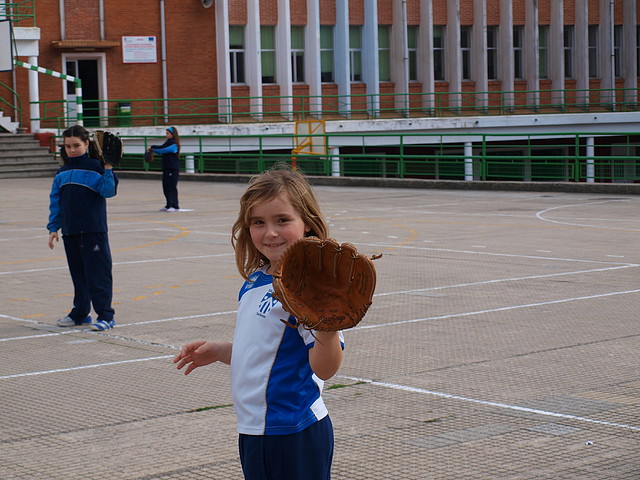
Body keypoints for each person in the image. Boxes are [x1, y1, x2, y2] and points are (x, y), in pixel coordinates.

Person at [174, 165, 343, 480]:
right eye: (258, 222)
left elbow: (325, 368)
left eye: (282, 220)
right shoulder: (255, 280)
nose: (270, 233)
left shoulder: (312, 287)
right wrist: (223, 351)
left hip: (293, 429)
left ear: (307, 224)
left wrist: (328, 328)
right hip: (255, 428)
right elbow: (268, 351)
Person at [47, 125, 118, 331]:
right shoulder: (62, 172)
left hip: (93, 231)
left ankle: (106, 316)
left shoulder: (97, 167)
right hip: (70, 231)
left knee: (98, 275)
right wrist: (53, 228)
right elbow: (56, 202)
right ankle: (80, 313)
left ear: (86, 144)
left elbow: (108, 192)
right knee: (78, 276)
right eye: (68, 146)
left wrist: (108, 168)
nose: (72, 150)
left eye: (76, 145)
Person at [148, 126, 181, 211]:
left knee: (172, 187)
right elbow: (161, 147)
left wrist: (152, 148)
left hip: (172, 169)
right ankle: (168, 205)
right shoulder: (167, 142)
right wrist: (152, 148)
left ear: (173, 134)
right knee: (166, 187)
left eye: (168, 133)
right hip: (166, 168)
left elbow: (163, 150)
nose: (166, 135)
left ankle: (175, 205)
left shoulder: (174, 144)